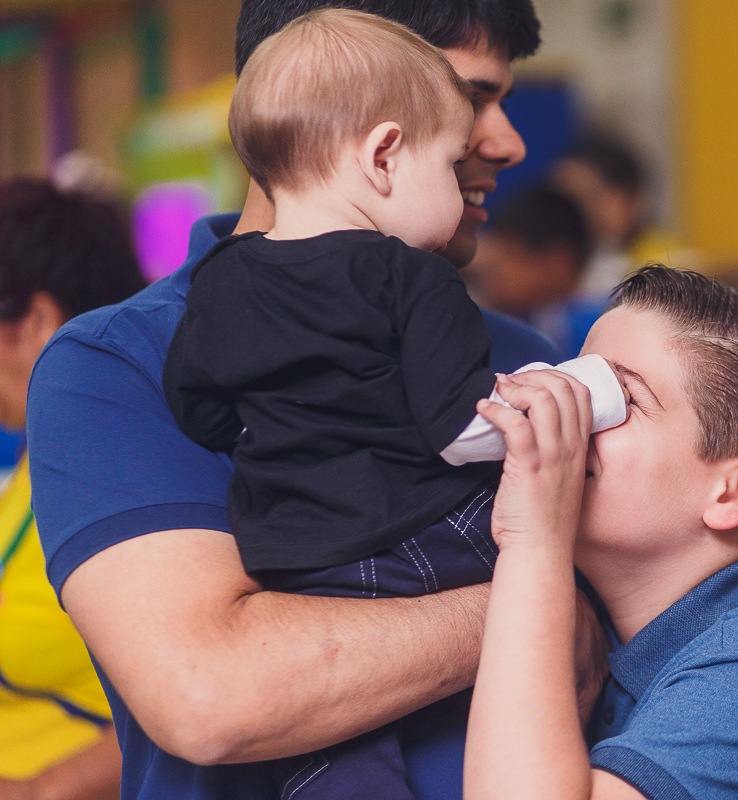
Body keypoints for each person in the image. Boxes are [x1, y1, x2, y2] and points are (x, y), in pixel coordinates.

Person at [25, 2, 605, 799]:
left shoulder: (525, 360)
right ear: (373, 139)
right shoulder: (113, 364)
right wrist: (546, 609)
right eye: (469, 97)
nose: (505, 142)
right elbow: (213, 695)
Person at [462, 267, 738, 799]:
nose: (568, 409)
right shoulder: (598, 610)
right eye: (576, 376)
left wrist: (534, 542)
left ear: (734, 491)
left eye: (617, 398)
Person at [0, 179, 145, 800]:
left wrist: (41, 791)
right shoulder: (40, 452)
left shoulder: (119, 468)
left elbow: (206, 691)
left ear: (35, 320)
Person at [552, 135, 698, 298]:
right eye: (564, 203)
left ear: (630, 198)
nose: (574, 214)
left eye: (589, 198)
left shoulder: (669, 260)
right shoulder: (560, 265)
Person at [470, 184, 601, 355]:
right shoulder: (521, 314)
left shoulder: (591, 327)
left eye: (509, 254)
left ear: (557, 262)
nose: (492, 268)